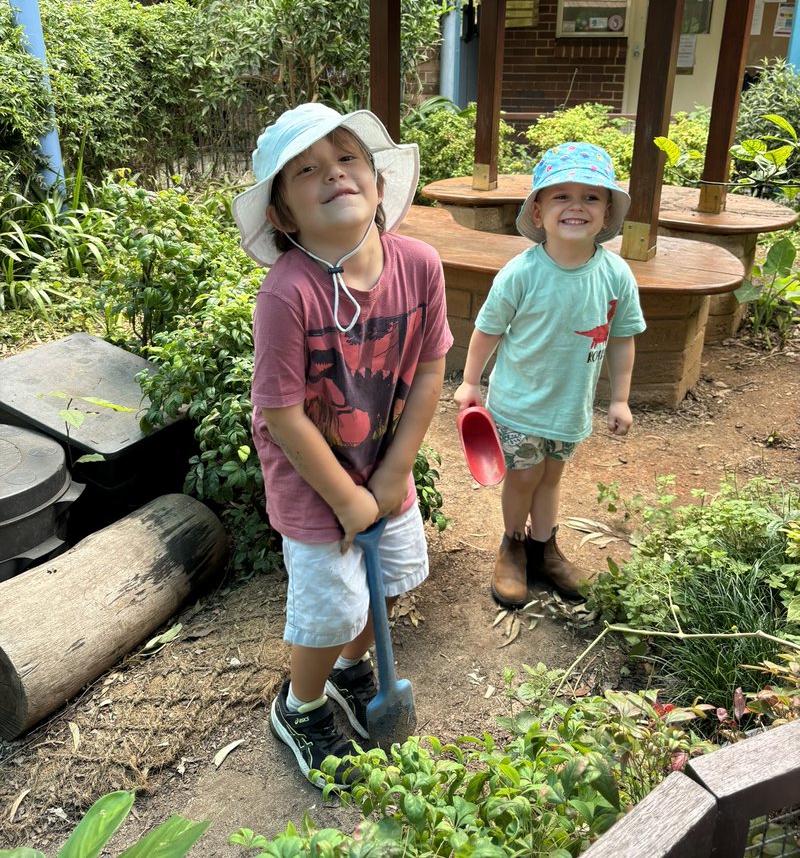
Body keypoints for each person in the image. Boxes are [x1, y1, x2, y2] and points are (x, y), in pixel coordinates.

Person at [232, 103, 452, 787]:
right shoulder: (287, 294)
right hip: (314, 480)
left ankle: (357, 669)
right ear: (284, 216)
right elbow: (281, 411)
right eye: (306, 169)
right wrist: (346, 499)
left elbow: (429, 369)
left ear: (379, 184)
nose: (333, 173)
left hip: (383, 468)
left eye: (348, 159)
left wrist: (393, 474)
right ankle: (300, 705)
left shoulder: (419, 266)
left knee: (380, 585)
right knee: (331, 605)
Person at [453, 143, 645, 606]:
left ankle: (545, 549)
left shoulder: (616, 275)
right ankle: (512, 546)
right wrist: (470, 381)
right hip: (518, 405)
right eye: (561, 196)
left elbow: (622, 337)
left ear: (606, 213)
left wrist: (620, 398)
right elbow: (487, 329)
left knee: (552, 477)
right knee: (523, 478)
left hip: (570, 405)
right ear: (538, 212)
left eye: (591, 197)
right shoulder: (521, 273)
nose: (576, 206)